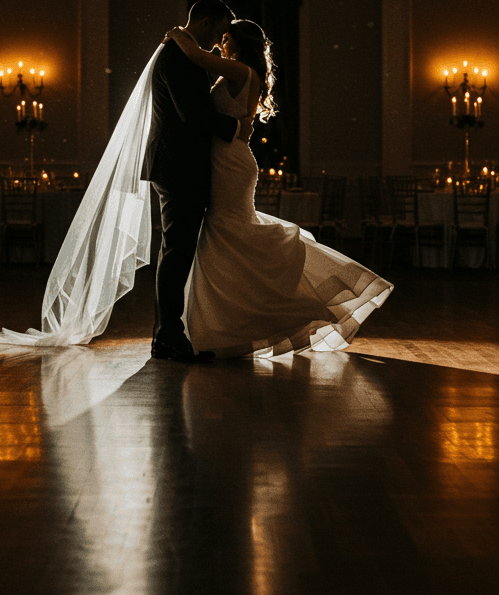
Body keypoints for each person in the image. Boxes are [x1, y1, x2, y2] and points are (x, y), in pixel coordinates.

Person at [164, 19, 393, 358]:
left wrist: (177, 34)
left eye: (225, 39)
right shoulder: (242, 73)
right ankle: (228, 330)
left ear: (238, 44)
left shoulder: (240, 70)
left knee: (227, 231)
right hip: (228, 157)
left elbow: (196, 55)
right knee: (226, 235)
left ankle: (262, 318)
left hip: (229, 161)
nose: (220, 44)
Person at [142, 0, 243, 362]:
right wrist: (237, 126)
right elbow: (192, 114)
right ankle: (167, 336)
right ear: (205, 23)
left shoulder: (181, 52)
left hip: (177, 164)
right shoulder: (178, 56)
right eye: (219, 30)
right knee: (176, 253)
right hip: (177, 166)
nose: (220, 39)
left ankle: (167, 334)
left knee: (177, 251)